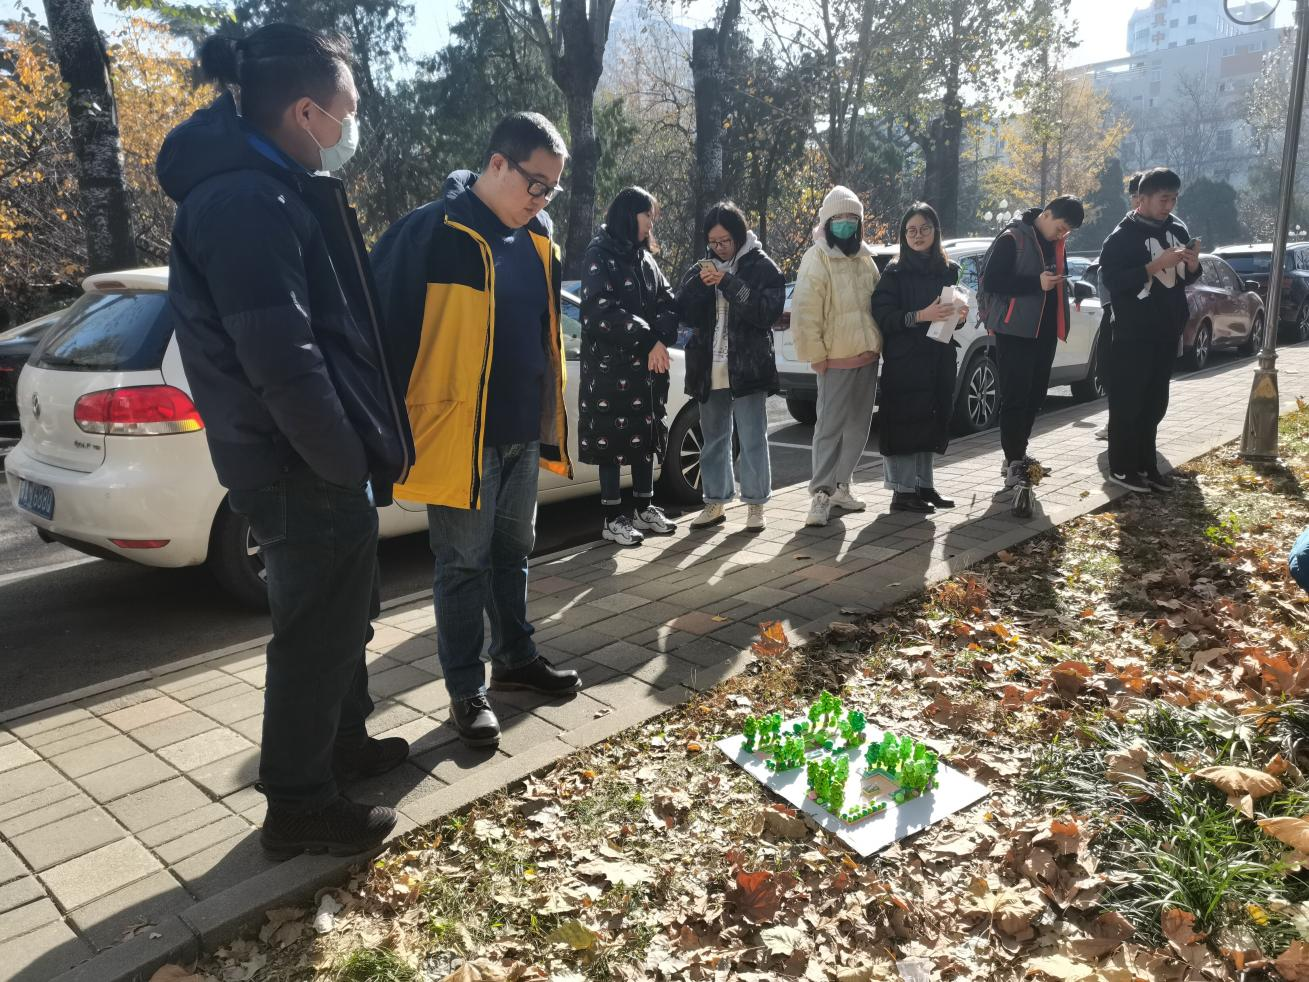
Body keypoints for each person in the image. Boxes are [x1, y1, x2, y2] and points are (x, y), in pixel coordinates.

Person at [157, 24, 414, 857]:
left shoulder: (272, 187)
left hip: (310, 459)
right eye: (348, 109)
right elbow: (282, 358)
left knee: (344, 618)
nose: (352, 124)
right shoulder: (245, 202)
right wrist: (340, 459)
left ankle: (342, 745)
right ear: (306, 111)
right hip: (297, 464)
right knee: (315, 635)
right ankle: (299, 805)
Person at [370, 113, 581, 750]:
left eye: (552, 190)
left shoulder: (540, 239)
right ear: (497, 164)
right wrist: (384, 435)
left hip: (521, 432)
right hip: (458, 437)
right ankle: (466, 689)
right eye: (536, 184)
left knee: (513, 553)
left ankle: (514, 658)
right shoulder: (431, 232)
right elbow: (378, 336)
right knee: (462, 564)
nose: (542, 200)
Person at [578, 187, 680, 546]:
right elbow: (598, 310)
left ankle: (643, 508)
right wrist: (647, 339)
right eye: (647, 215)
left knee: (645, 436)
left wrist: (659, 341)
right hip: (609, 371)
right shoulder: (599, 254)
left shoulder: (645, 259)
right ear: (628, 215)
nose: (651, 223)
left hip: (646, 370)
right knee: (610, 440)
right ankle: (611, 518)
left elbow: (668, 300)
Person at [677, 202, 786, 532]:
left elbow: (766, 312)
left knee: (752, 436)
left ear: (738, 235)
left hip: (749, 366)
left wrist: (728, 282)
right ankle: (715, 501)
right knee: (713, 438)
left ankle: (755, 504)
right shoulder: (701, 267)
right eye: (713, 241)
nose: (719, 247)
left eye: (724, 240)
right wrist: (700, 285)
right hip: (708, 365)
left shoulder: (762, 266)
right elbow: (683, 311)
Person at [1099, 167, 1201, 492]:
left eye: (1173, 199)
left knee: (1155, 402)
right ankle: (1121, 468)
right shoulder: (1120, 237)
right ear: (1141, 199)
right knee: (1128, 402)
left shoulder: (1177, 228)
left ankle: (1147, 465)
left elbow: (1185, 278)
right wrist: (1154, 266)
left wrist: (1193, 265)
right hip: (1133, 332)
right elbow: (1113, 281)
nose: (1168, 206)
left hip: (1167, 328)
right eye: (1163, 199)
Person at [980, 194, 1085, 507]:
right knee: (1015, 397)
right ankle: (1014, 463)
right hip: (1015, 331)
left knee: (1036, 396)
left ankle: (1017, 455)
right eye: (1061, 227)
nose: (1062, 234)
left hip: (1045, 331)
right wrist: (1035, 283)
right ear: (1047, 214)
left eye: (1067, 232)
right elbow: (992, 281)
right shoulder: (1013, 238)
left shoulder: (1056, 243)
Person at [790, 186, 883, 528]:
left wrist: (879, 345)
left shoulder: (865, 259)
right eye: (839, 217)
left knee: (859, 427)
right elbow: (805, 311)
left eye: (852, 217)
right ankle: (821, 493)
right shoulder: (816, 258)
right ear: (827, 221)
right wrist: (815, 354)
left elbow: (878, 305)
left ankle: (842, 486)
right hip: (834, 359)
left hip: (867, 357)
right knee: (828, 428)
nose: (846, 222)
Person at [871, 203, 968, 513]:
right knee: (904, 420)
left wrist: (960, 315)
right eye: (911, 230)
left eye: (924, 229)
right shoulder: (894, 272)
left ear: (935, 231)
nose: (917, 235)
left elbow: (950, 314)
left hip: (938, 356)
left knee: (932, 417)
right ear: (903, 235)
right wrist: (921, 315)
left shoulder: (948, 270)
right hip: (905, 360)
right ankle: (902, 491)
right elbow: (883, 316)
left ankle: (923, 485)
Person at [1095, 171, 1145, 441]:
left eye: (1141, 196)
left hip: (1145, 317)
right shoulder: (1122, 231)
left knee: (1141, 376)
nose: (1137, 202)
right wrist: (1108, 306)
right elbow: (1106, 273)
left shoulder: (1168, 231)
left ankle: (1134, 428)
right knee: (1108, 368)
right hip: (1115, 311)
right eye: (1134, 196)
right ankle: (1117, 420)